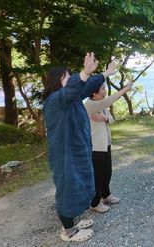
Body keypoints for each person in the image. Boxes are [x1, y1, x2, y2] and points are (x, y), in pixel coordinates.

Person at [42, 52, 117, 242]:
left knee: (82, 184)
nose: (73, 78)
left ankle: (74, 221)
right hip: (65, 154)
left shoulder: (72, 98)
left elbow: (87, 86)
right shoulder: (55, 100)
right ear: (57, 81)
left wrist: (105, 74)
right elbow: (74, 88)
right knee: (68, 188)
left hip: (79, 152)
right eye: (68, 76)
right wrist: (84, 73)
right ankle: (68, 231)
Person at [84, 72, 133, 213]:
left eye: (105, 88)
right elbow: (109, 101)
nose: (105, 91)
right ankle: (95, 203)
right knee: (98, 175)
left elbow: (111, 119)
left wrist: (105, 118)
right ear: (94, 92)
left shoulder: (100, 105)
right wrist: (125, 89)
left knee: (107, 172)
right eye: (103, 89)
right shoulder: (90, 104)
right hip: (96, 145)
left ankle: (106, 195)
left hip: (106, 143)